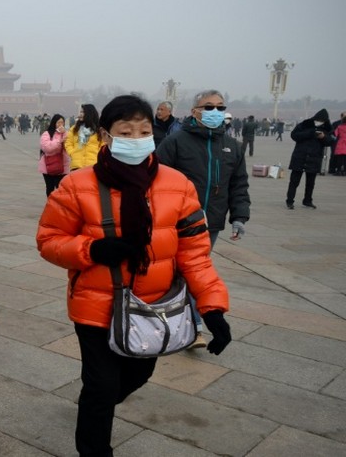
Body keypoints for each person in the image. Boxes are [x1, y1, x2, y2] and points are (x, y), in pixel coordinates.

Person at [36, 94, 231, 457]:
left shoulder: (178, 185)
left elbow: (195, 255)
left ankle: (96, 403)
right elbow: (48, 241)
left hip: (152, 306)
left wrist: (212, 307)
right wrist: (90, 250)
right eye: (127, 131)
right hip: (95, 304)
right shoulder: (77, 185)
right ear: (106, 136)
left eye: (144, 130)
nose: (138, 137)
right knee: (101, 385)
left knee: (137, 376)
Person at [156, 90, 249, 347]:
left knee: (195, 273)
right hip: (177, 222)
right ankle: (173, 321)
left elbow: (239, 185)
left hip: (212, 224)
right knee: (172, 274)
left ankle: (193, 326)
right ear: (195, 110)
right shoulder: (176, 142)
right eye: (208, 107)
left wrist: (239, 217)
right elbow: (155, 178)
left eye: (220, 107)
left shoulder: (233, 146)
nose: (215, 112)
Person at [285, 109, 335, 209]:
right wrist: (310, 133)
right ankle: (290, 200)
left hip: (314, 158)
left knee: (310, 183)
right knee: (294, 181)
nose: (320, 121)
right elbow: (294, 135)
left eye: (322, 120)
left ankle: (307, 200)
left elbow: (331, 141)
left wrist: (323, 137)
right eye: (318, 119)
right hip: (299, 157)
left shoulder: (327, 128)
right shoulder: (304, 125)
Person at [39, 114, 69, 196]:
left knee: (61, 189)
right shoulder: (47, 134)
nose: (61, 125)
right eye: (58, 122)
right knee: (50, 188)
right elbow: (47, 148)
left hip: (62, 165)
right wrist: (60, 139)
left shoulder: (66, 134)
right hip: (48, 166)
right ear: (54, 123)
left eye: (62, 123)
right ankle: (51, 205)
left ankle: (59, 206)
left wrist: (65, 135)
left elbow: (68, 148)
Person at [65, 104, 102, 171]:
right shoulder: (74, 129)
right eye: (80, 112)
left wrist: (98, 155)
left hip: (93, 165)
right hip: (77, 165)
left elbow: (103, 145)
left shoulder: (99, 130)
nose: (80, 114)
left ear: (90, 114)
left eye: (83, 112)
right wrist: (72, 153)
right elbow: (68, 143)